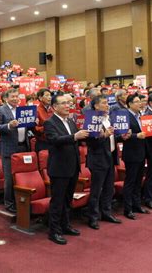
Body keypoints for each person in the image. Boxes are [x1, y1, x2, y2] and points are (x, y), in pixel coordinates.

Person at [44, 94, 89, 245]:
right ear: (55, 107)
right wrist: (74, 136)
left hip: (72, 166)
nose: (67, 105)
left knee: (68, 199)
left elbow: (76, 138)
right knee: (57, 201)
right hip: (59, 168)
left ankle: (65, 225)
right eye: (63, 103)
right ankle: (54, 231)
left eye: (68, 103)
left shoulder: (70, 120)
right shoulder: (50, 122)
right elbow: (54, 140)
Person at [85, 95, 122, 230]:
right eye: (104, 103)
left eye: (107, 103)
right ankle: (93, 217)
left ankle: (106, 212)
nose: (107, 105)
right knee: (96, 190)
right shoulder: (92, 119)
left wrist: (121, 136)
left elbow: (112, 137)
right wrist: (105, 135)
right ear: (96, 106)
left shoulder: (109, 118)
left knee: (108, 188)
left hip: (110, 157)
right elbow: (91, 142)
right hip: (98, 159)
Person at [0, 89, 30, 213]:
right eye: (13, 97)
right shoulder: (0, 110)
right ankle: (9, 203)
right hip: (9, 149)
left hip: (23, 146)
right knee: (9, 178)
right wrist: (9, 125)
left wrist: (32, 123)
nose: (15, 98)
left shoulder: (22, 110)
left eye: (17, 96)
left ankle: (21, 201)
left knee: (22, 176)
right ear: (6, 98)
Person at [121, 95, 149, 220]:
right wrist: (136, 136)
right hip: (131, 153)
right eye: (137, 102)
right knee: (130, 181)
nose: (140, 104)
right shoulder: (125, 116)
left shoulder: (141, 116)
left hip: (142, 152)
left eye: (141, 102)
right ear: (129, 104)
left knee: (138, 181)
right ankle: (128, 208)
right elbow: (122, 134)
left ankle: (137, 205)